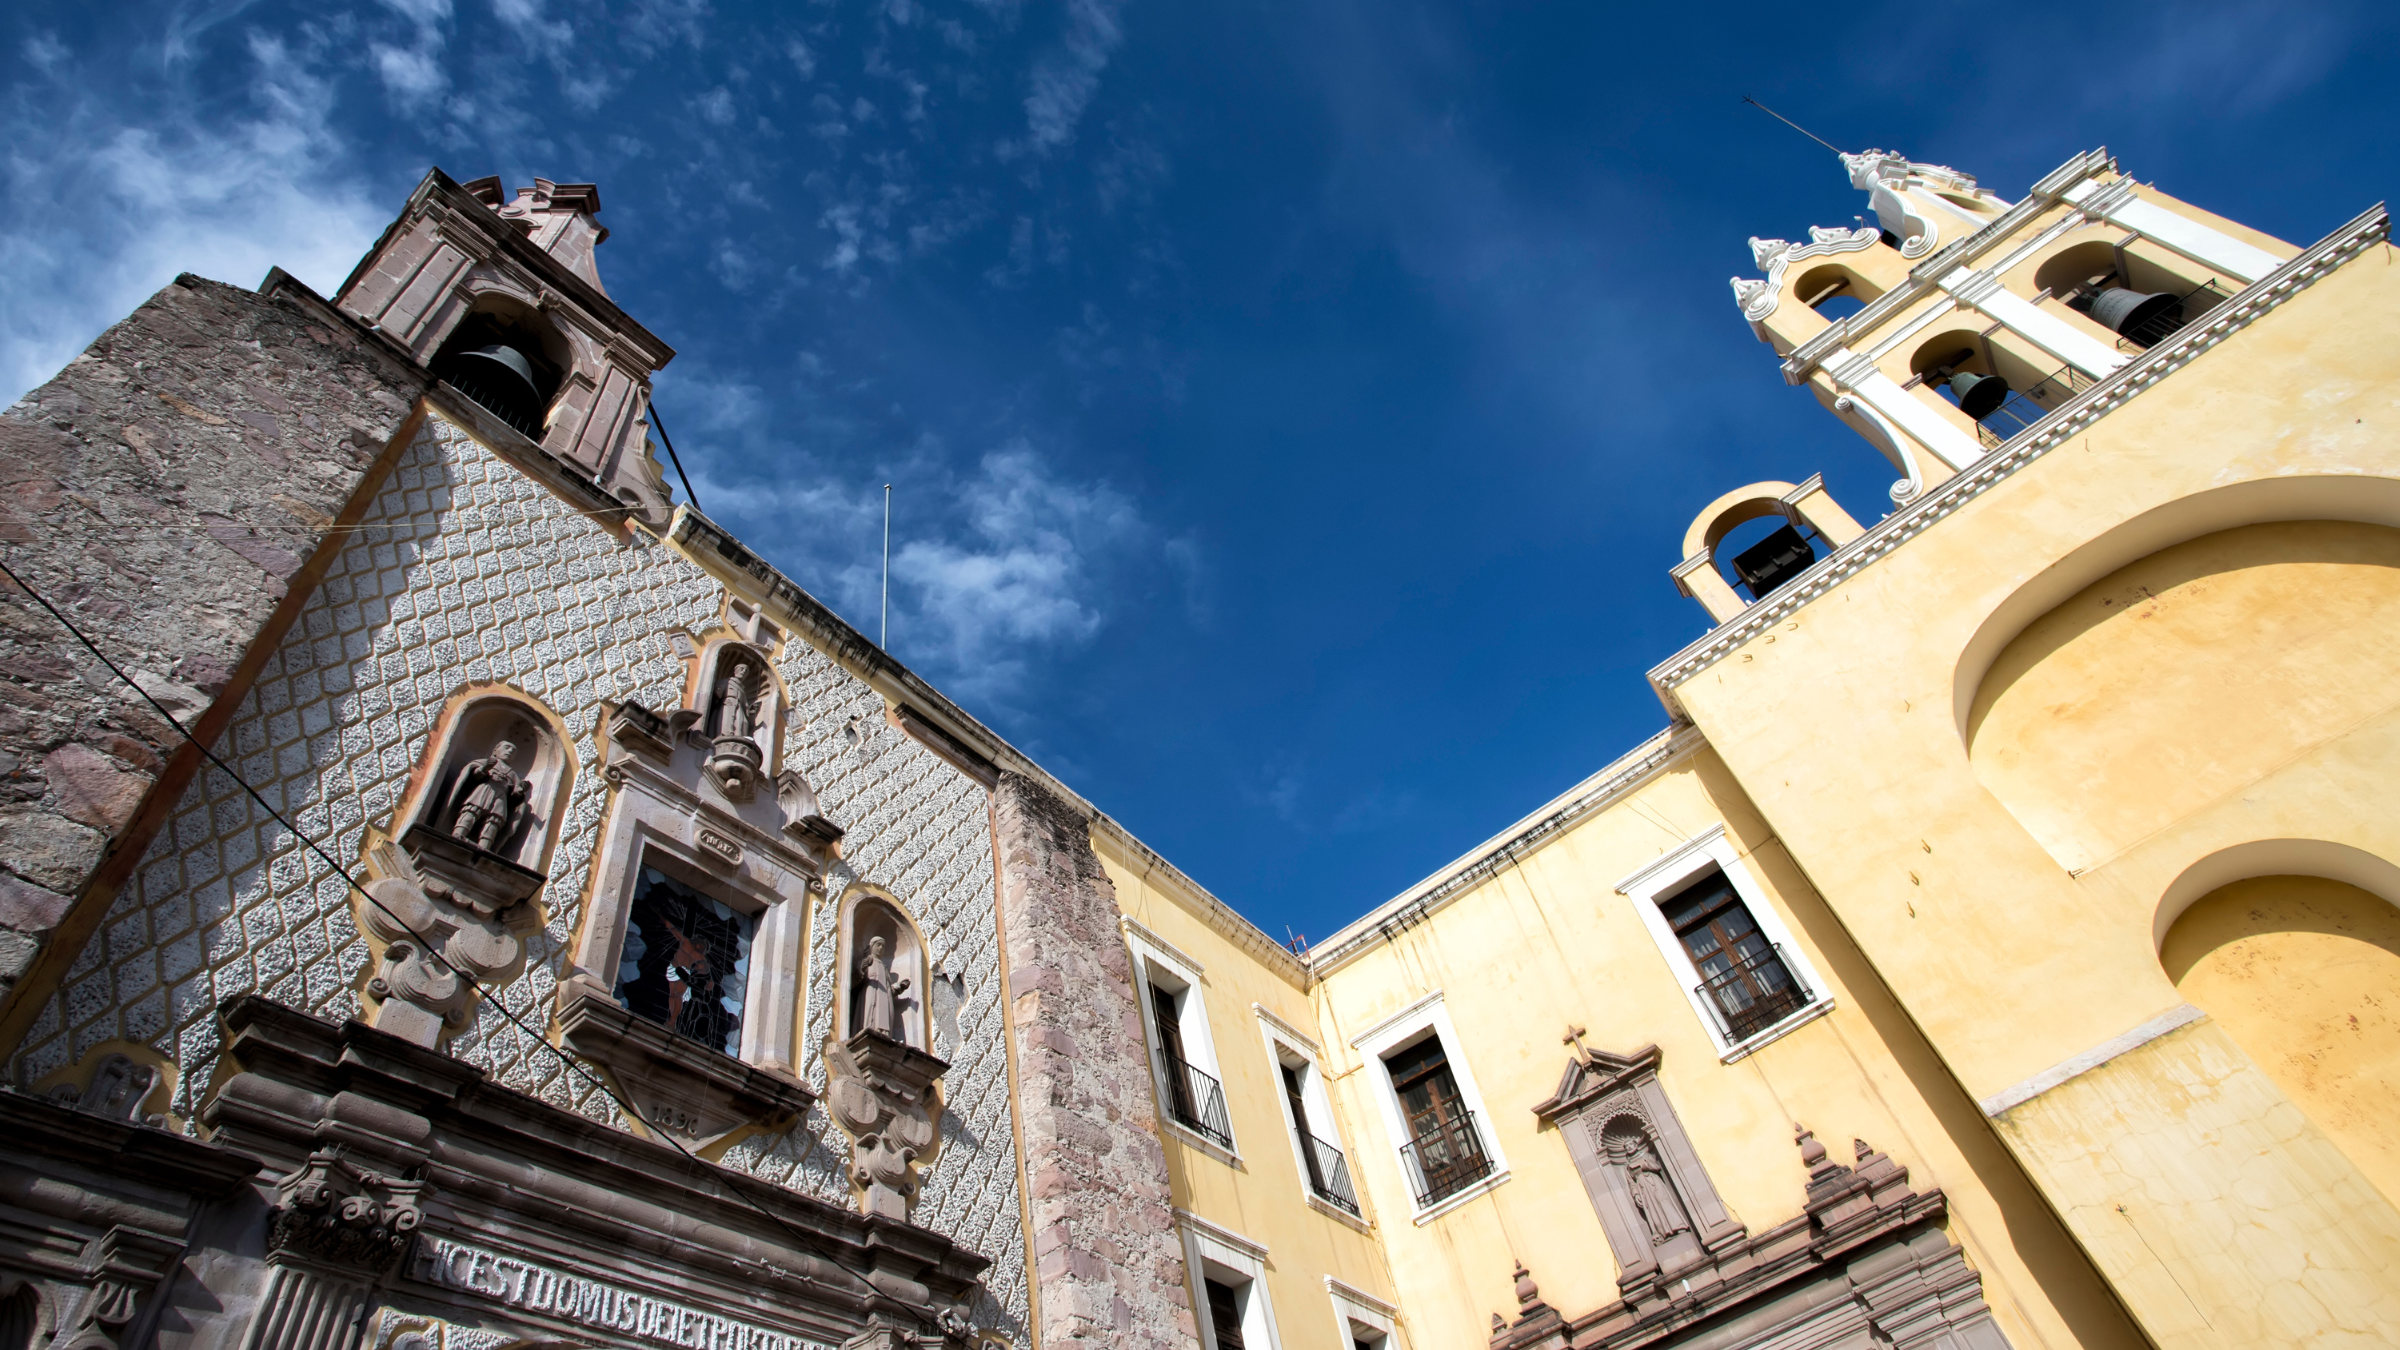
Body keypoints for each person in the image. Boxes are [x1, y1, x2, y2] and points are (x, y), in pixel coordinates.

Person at [449, 739, 529, 854]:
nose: (510, 751)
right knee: (472, 809)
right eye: (507, 747)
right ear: (496, 750)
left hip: (500, 797)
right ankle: (459, 832)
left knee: (494, 820)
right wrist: (484, 769)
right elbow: (473, 776)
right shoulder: (484, 762)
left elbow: (514, 797)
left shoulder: (513, 774)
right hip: (484, 790)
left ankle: (485, 846)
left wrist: (520, 791)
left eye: (513, 751)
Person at [856, 935, 910, 1039]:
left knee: (884, 1018)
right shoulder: (867, 961)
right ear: (872, 946)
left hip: (885, 1000)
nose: (880, 948)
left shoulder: (884, 968)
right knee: (870, 1017)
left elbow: (889, 989)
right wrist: (863, 967)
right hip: (870, 995)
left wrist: (900, 986)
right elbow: (855, 979)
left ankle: (884, 1034)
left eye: (883, 946)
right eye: (878, 945)